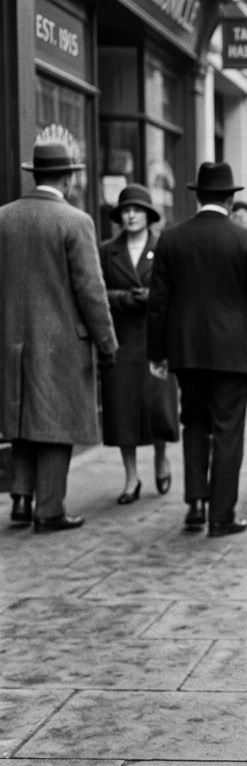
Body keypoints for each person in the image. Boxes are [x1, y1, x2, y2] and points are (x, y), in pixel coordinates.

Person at [146, 162, 247, 537]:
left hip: (187, 351)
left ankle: (195, 504)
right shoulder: (246, 240)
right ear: (229, 196)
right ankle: (221, 515)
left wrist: (156, 353)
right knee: (228, 429)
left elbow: (158, 302)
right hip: (234, 353)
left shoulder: (171, 238)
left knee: (194, 422)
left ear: (198, 195)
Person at [0, 142, 118, 531]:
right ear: (68, 178)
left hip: (12, 337)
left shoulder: (4, 218)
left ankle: (20, 497)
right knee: (55, 425)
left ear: (35, 174)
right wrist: (107, 343)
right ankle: (48, 509)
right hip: (61, 342)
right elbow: (91, 290)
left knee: (21, 416)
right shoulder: (75, 221)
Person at [99, 185, 179, 503]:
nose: (131, 215)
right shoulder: (106, 250)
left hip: (155, 339)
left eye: (137, 210)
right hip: (121, 342)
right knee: (122, 410)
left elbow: (177, 290)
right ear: (120, 217)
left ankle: (161, 457)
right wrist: (121, 298)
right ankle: (131, 478)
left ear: (148, 215)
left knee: (157, 406)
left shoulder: (164, 247)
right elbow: (95, 291)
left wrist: (153, 297)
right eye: (126, 211)